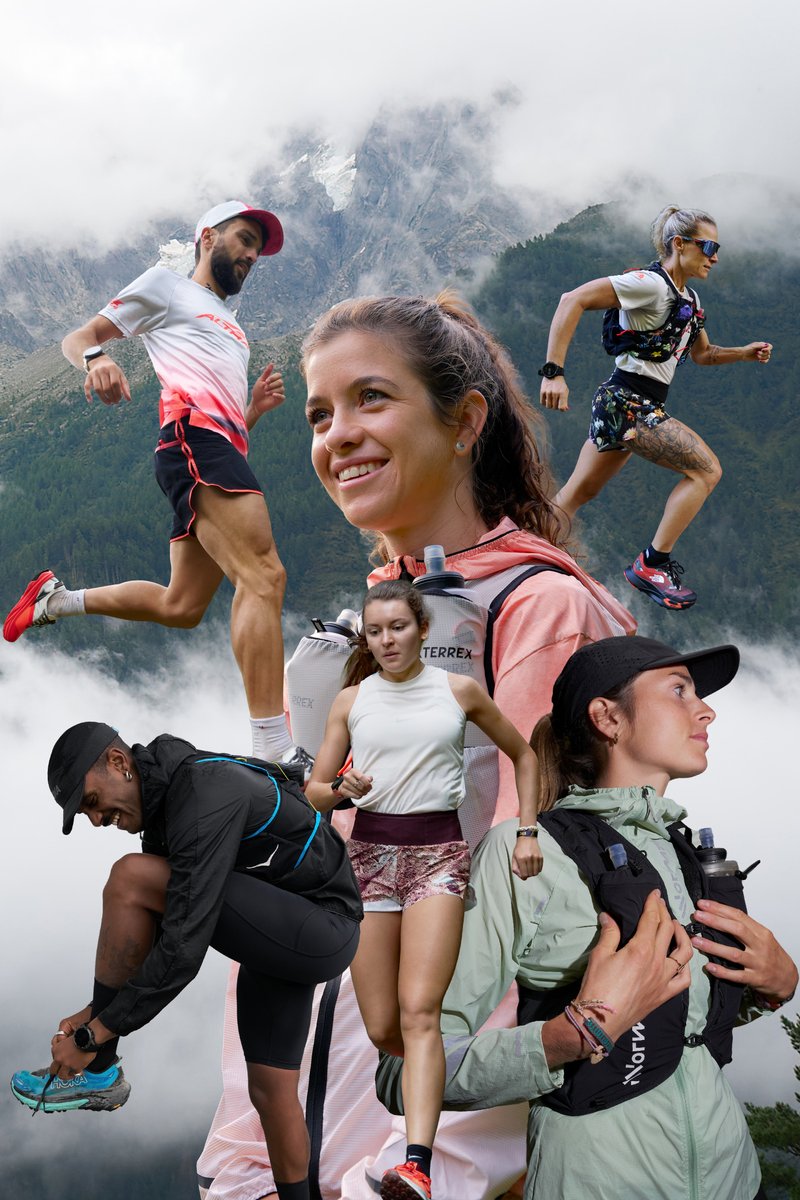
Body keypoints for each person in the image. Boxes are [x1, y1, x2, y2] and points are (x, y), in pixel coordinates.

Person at [197, 292, 637, 1200]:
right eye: (320, 414)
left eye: (371, 399)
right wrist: (240, 1169)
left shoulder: (541, 612)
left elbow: (538, 933)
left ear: (466, 420)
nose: (337, 435)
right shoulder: (377, 624)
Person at [374, 635, 798, 1200]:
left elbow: (676, 1022)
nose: (706, 709)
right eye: (679, 690)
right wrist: (566, 1037)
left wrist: (772, 988)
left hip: (735, 1179)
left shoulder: (684, 854)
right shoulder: (524, 856)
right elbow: (402, 1073)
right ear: (608, 718)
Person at [3, 200, 305, 767]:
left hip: (214, 446)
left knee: (182, 605)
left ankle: (56, 602)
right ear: (207, 237)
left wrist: (252, 412)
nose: (248, 255)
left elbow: (225, 418)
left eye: (256, 252)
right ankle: (276, 749)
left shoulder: (233, 328)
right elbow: (81, 335)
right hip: (193, 443)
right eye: (243, 239)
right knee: (264, 577)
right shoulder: (166, 287)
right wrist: (95, 359)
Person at [10, 721, 362, 1200]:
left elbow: (182, 947)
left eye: (91, 802)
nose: (95, 820)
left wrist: (97, 1033)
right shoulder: (164, 807)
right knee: (269, 1092)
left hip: (321, 925)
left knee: (131, 877)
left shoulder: (201, 794)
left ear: (118, 763)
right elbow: (154, 937)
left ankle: (99, 1069)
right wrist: (93, 1015)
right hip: (278, 928)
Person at [306, 579, 542, 1200]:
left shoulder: (458, 691)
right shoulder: (351, 702)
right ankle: (451, 1086)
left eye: (398, 627)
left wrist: (526, 832)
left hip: (439, 856)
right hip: (369, 860)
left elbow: (525, 755)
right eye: (375, 630)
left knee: (420, 1014)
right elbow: (315, 792)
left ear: (422, 630)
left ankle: (417, 1162)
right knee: (386, 1027)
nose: (387, 640)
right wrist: (342, 793)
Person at [539, 205, 773, 610]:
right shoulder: (649, 284)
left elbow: (703, 354)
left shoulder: (690, 300)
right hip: (630, 402)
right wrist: (553, 372)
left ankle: (520, 551)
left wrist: (744, 353)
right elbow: (571, 299)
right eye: (708, 246)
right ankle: (652, 564)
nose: (714, 256)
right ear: (678, 244)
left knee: (578, 493)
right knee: (706, 470)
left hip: (622, 402)